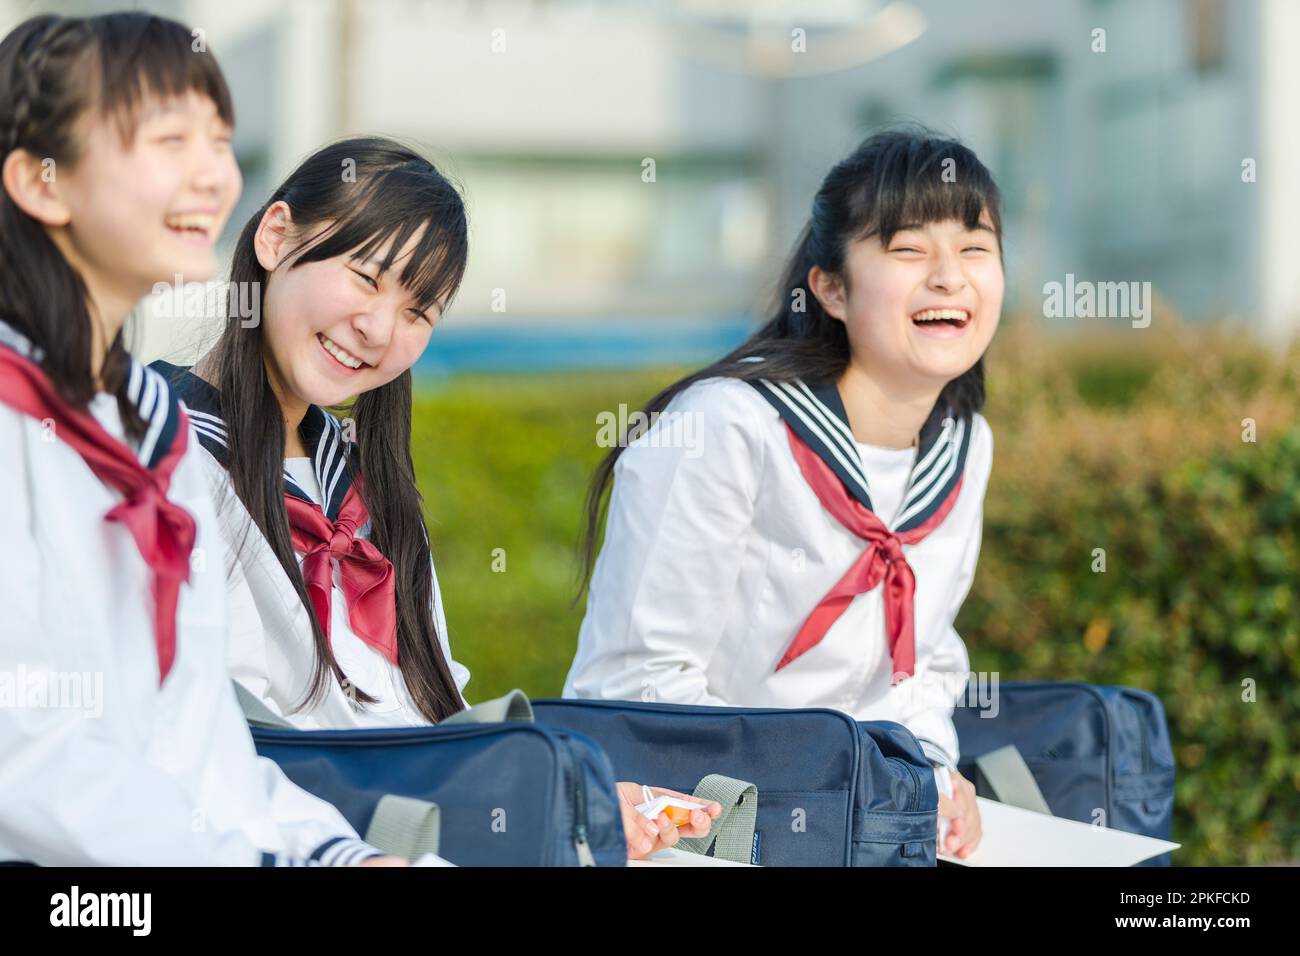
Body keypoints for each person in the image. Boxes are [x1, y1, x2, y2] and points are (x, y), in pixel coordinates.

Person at [566, 128, 1002, 860]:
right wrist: (822, 798)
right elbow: (636, 685)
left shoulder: (964, 443)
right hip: (699, 828)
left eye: (974, 248)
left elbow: (921, 664)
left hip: (860, 831)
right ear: (829, 286)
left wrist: (930, 776)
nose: (949, 277)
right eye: (908, 250)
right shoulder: (725, 426)